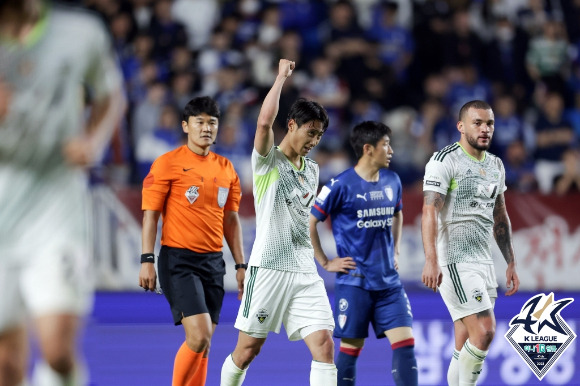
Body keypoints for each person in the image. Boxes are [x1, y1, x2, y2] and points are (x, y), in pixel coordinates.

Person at [0, 0, 125, 385]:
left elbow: (111, 95)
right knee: (6, 364)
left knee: (57, 350)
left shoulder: (81, 32)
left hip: (57, 206)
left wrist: (92, 140)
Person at [220, 59, 337, 386]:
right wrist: (280, 78)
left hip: (304, 270)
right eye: (311, 132)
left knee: (325, 345)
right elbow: (261, 125)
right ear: (292, 125)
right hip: (268, 267)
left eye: (320, 135)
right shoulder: (267, 162)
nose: (315, 140)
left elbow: (304, 220)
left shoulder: (312, 171)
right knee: (247, 351)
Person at [139, 96, 246, 386]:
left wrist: (240, 264)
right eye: (199, 122)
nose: (206, 128)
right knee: (199, 336)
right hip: (178, 260)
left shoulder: (226, 169)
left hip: (213, 262)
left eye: (212, 122)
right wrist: (147, 260)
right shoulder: (167, 164)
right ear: (186, 126)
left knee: (205, 343)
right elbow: (151, 216)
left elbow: (231, 220)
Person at [310, 120, 419, 386]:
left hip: (389, 284)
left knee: (406, 345)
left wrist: (395, 250)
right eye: (386, 145)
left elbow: (398, 213)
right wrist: (325, 262)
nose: (391, 150)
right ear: (368, 149)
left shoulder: (393, 180)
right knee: (350, 351)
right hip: (354, 283)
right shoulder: (339, 185)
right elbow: (310, 223)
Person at [421, 100, 520, 386]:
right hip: (455, 260)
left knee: (464, 339)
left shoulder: (495, 165)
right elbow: (429, 210)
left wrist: (510, 261)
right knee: (486, 331)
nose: (485, 129)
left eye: (489, 123)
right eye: (477, 123)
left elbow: (500, 216)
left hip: (483, 261)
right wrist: (431, 259)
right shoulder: (445, 160)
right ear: (461, 126)